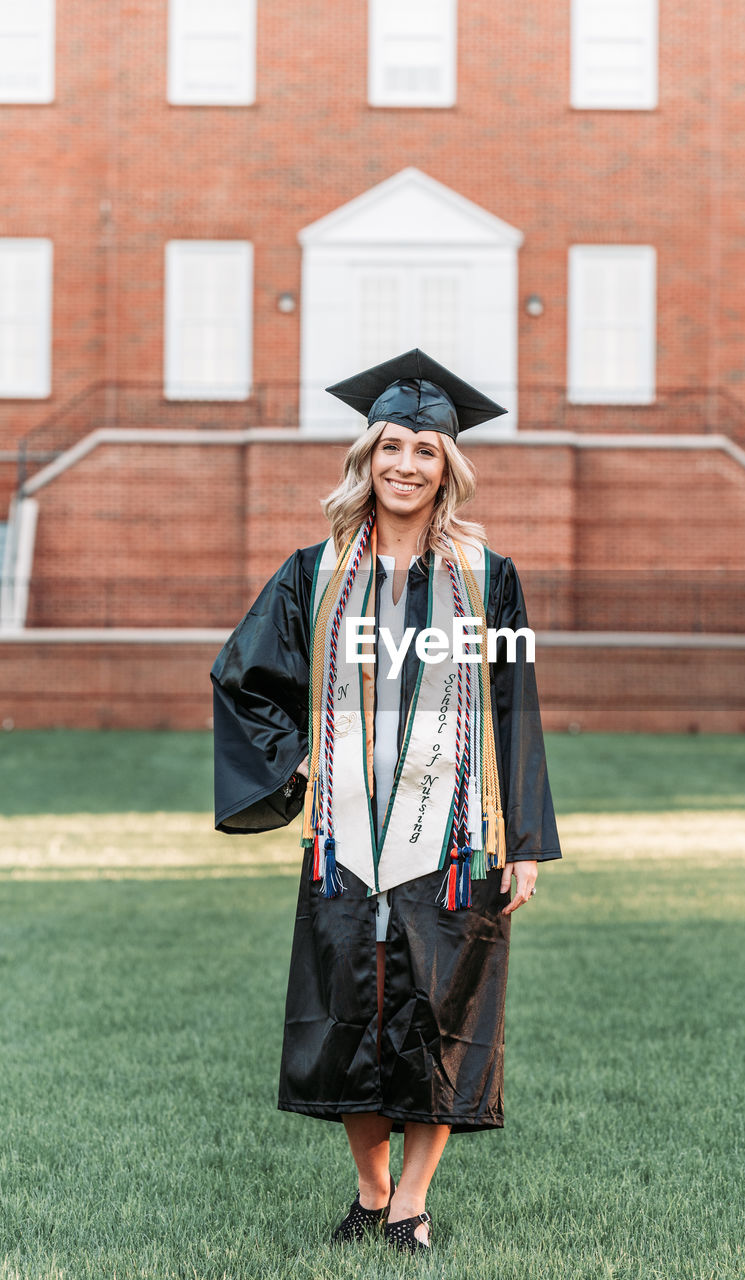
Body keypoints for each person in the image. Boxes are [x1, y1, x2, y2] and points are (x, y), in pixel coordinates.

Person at [211, 349, 561, 1253]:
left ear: (450, 468)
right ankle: (370, 1195)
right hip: (348, 834)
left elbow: (516, 705)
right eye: (391, 447)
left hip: (453, 836)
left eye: (427, 452)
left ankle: (410, 1206)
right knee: (346, 1013)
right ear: (367, 459)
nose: (406, 465)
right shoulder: (312, 574)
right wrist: (294, 764)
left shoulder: (491, 577)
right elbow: (243, 678)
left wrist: (523, 838)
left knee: (440, 1014)